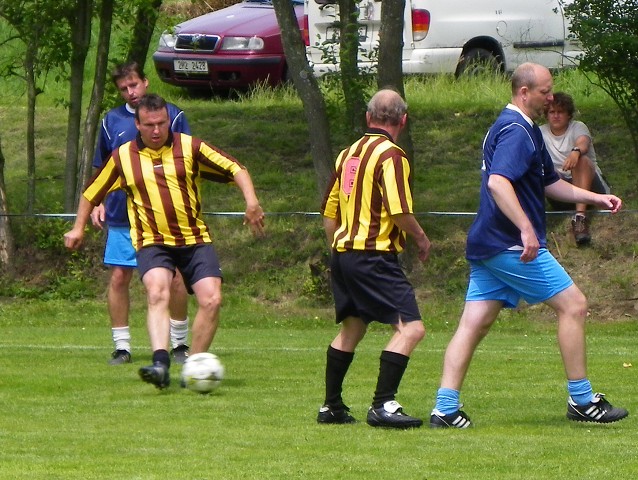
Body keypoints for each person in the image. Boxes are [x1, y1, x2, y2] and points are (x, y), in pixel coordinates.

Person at [429, 63, 628, 428]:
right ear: (524, 92)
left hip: (488, 243)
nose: (550, 97)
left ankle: (444, 408)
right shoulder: (517, 131)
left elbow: (551, 184)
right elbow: (498, 184)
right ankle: (582, 400)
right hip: (508, 245)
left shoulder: (524, 129)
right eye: (544, 91)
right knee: (574, 305)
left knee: (474, 324)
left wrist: (596, 198)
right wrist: (526, 230)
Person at [65, 94, 265, 389]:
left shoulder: (190, 146)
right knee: (157, 292)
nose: (157, 130)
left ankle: (193, 367)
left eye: (161, 124)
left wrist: (252, 202)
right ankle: (160, 364)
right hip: (152, 241)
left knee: (212, 299)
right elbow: (91, 193)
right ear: (138, 124)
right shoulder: (122, 157)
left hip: (195, 239)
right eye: (149, 125)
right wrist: (78, 228)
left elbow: (236, 168)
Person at [317, 89, 431, 429]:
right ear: (403, 120)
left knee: (353, 326)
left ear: (369, 118)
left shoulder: (347, 155)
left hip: (344, 254)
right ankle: (383, 404)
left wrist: (339, 246)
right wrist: (422, 239)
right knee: (411, 328)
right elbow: (399, 211)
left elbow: (329, 211)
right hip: (374, 256)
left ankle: (331, 406)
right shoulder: (392, 157)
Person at [91, 62, 192, 366]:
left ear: (145, 83)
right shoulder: (111, 121)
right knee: (120, 275)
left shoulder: (172, 116)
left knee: (174, 278)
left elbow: (188, 158)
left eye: (134, 85)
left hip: (166, 215)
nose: (131, 92)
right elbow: (102, 167)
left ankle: (179, 344)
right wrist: (97, 201)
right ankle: (122, 347)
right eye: (124, 88)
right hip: (123, 214)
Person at [540, 92, 611, 245]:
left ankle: (580, 218)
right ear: (546, 114)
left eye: (561, 112)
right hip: (561, 191)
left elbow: (583, 142)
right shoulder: (540, 132)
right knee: (541, 171)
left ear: (568, 115)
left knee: (582, 161)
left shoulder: (578, 127)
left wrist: (575, 152)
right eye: (552, 112)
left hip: (592, 189)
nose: (556, 116)